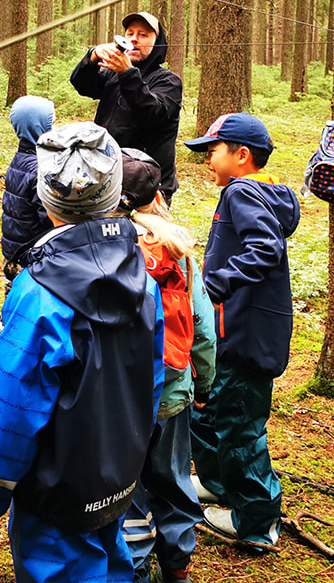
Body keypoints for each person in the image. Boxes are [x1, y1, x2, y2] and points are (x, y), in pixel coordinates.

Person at [0, 122, 166, 583]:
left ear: (46, 200)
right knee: (112, 563)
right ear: (112, 193)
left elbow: (11, 407)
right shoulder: (143, 276)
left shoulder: (38, 295)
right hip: (117, 477)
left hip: (54, 493)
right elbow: (151, 383)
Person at [182, 112, 301, 552]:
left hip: (244, 340)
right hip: (233, 334)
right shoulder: (252, 192)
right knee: (207, 413)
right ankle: (217, 483)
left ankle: (256, 520)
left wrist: (211, 287)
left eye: (212, 151)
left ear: (242, 155)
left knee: (239, 427)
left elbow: (264, 248)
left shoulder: (241, 191)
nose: (207, 160)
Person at [114, 151, 217, 583]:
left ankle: (134, 565)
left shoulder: (107, 249)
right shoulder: (180, 251)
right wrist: (204, 386)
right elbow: (204, 330)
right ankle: (178, 567)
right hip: (174, 392)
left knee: (129, 488)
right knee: (174, 479)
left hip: (122, 398)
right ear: (158, 196)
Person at [0, 95, 57, 392]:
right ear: (40, 127)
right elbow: (48, 216)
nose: (55, 124)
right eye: (51, 120)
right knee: (12, 315)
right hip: (30, 257)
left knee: (13, 312)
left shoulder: (21, 159)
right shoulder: (40, 168)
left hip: (16, 254)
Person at [69, 11, 183, 203]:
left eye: (143, 35)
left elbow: (153, 114)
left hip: (148, 187)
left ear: (157, 42)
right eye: (130, 33)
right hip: (107, 178)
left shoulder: (168, 81)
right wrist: (92, 56)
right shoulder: (112, 74)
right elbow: (82, 85)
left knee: (143, 234)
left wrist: (127, 73)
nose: (134, 39)